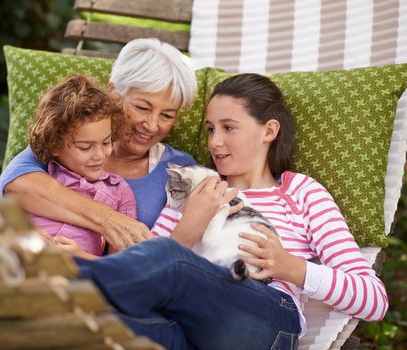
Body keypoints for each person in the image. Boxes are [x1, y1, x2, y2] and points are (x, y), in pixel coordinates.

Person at [75, 74, 388, 349]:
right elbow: (145, 271)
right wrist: (191, 222)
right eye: (211, 129)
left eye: (229, 128)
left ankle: (62, 279)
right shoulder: (193, 188)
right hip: (185, 329)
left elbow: (373, 300)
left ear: (269, 131)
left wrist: (288, 266)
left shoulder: (299, 193)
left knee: (170, 259)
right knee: (100, 330)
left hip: (267, 322)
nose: (215, 142)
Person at [0, 38, 199, 250]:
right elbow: (15, 184)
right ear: (114, 94)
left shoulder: (180, 169)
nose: (151, 125)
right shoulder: (68, 138)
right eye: (142, 107)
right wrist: (108, 220)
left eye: (167, 115)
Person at [27, 74, 135, 259]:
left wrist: (81, 257)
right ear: (54, 144)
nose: (100, 155)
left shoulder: (119, 192)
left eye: (107, 142)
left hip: (79, 279)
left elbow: (120, 268)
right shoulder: (39, 176)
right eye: (85, 147)